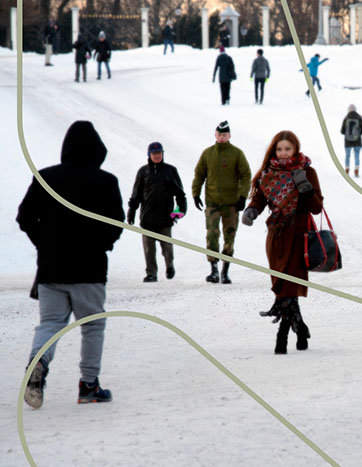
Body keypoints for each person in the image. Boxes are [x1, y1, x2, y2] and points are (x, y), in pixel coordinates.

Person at [16, 121, 125, 408]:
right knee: (92, 326)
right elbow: (116, 223)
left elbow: (24, 217)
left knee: (50, 323)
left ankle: (38, 363)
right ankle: (89, 386)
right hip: (90, 269)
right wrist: (102, 243)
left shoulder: (45, 177)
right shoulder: (106, 181)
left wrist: (44, 243)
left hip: (51, 268)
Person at [241, 131, 324, 354]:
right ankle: (301, 327)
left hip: (298, 236)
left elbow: (316, 207)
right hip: (276, 237)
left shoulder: (307, 171)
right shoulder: (268, 174)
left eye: (287, 149)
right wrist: (251, 211)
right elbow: (259, 198)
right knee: (282, 286)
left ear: (295, 148)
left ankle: (282, 337)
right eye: (279, 149)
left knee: (287, 288)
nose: (283, 153)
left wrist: (304, 187)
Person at [192, 121, 252, 284]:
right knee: (212, 234)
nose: (222, 138)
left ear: (229, 135)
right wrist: (195, 193)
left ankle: (225, 270)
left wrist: (242, 196)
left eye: (225, 135)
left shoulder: (237, 154)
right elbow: (199, 174)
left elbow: (246, 175)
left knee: (229, 236)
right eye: (219, 135)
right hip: (212, 202)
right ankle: (214, 269)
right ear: (215, 135)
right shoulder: (207, 154)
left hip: (231, 203)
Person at [127, 142, 188, 283]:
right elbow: (136, 195)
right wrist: (132, 211)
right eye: (154, 153)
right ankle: (151, 273)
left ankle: (169, 266)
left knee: (167, 248)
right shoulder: (143, 172)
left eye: (159, 153)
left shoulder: (171, 171)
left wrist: (178, 212)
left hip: (165, 219)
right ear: (149, 155)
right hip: (147, 218)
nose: (157, 156)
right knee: (149, 249)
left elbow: (180, 195)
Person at [341, 104, 362, 177]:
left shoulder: (346, 118)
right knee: (357, 155)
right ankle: (356, 170)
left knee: (347, 155)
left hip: (347, 141)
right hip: (357, 140)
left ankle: (347, 170)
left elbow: (342, 131)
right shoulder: (359, 118)